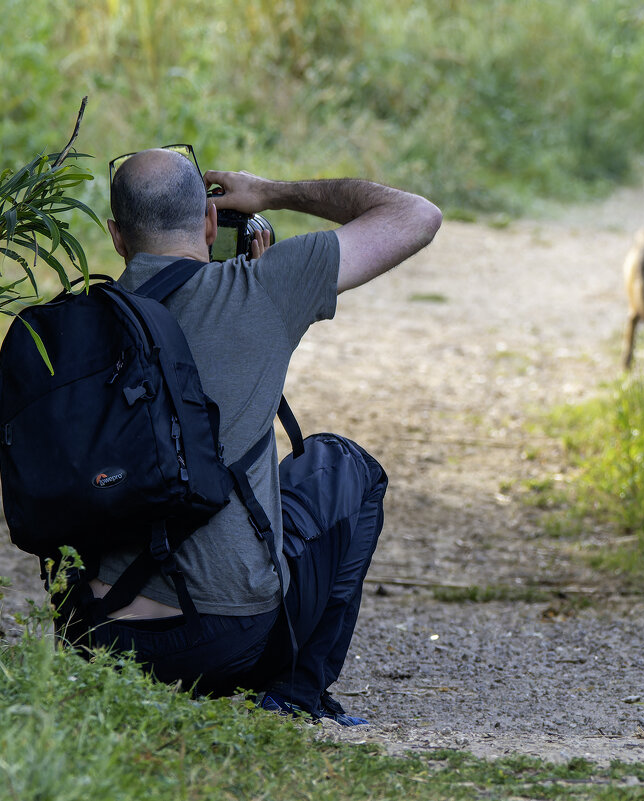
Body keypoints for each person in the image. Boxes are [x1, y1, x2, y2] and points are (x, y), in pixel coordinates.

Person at [79, 147, 441, 725]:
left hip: (93, 634)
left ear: (117, 237)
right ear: (207, 222)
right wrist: (272, 192)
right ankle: (294, 694)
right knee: (343, 465)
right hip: (222, 641)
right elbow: (416, 214)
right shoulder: (261, 289)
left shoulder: (75, 326)